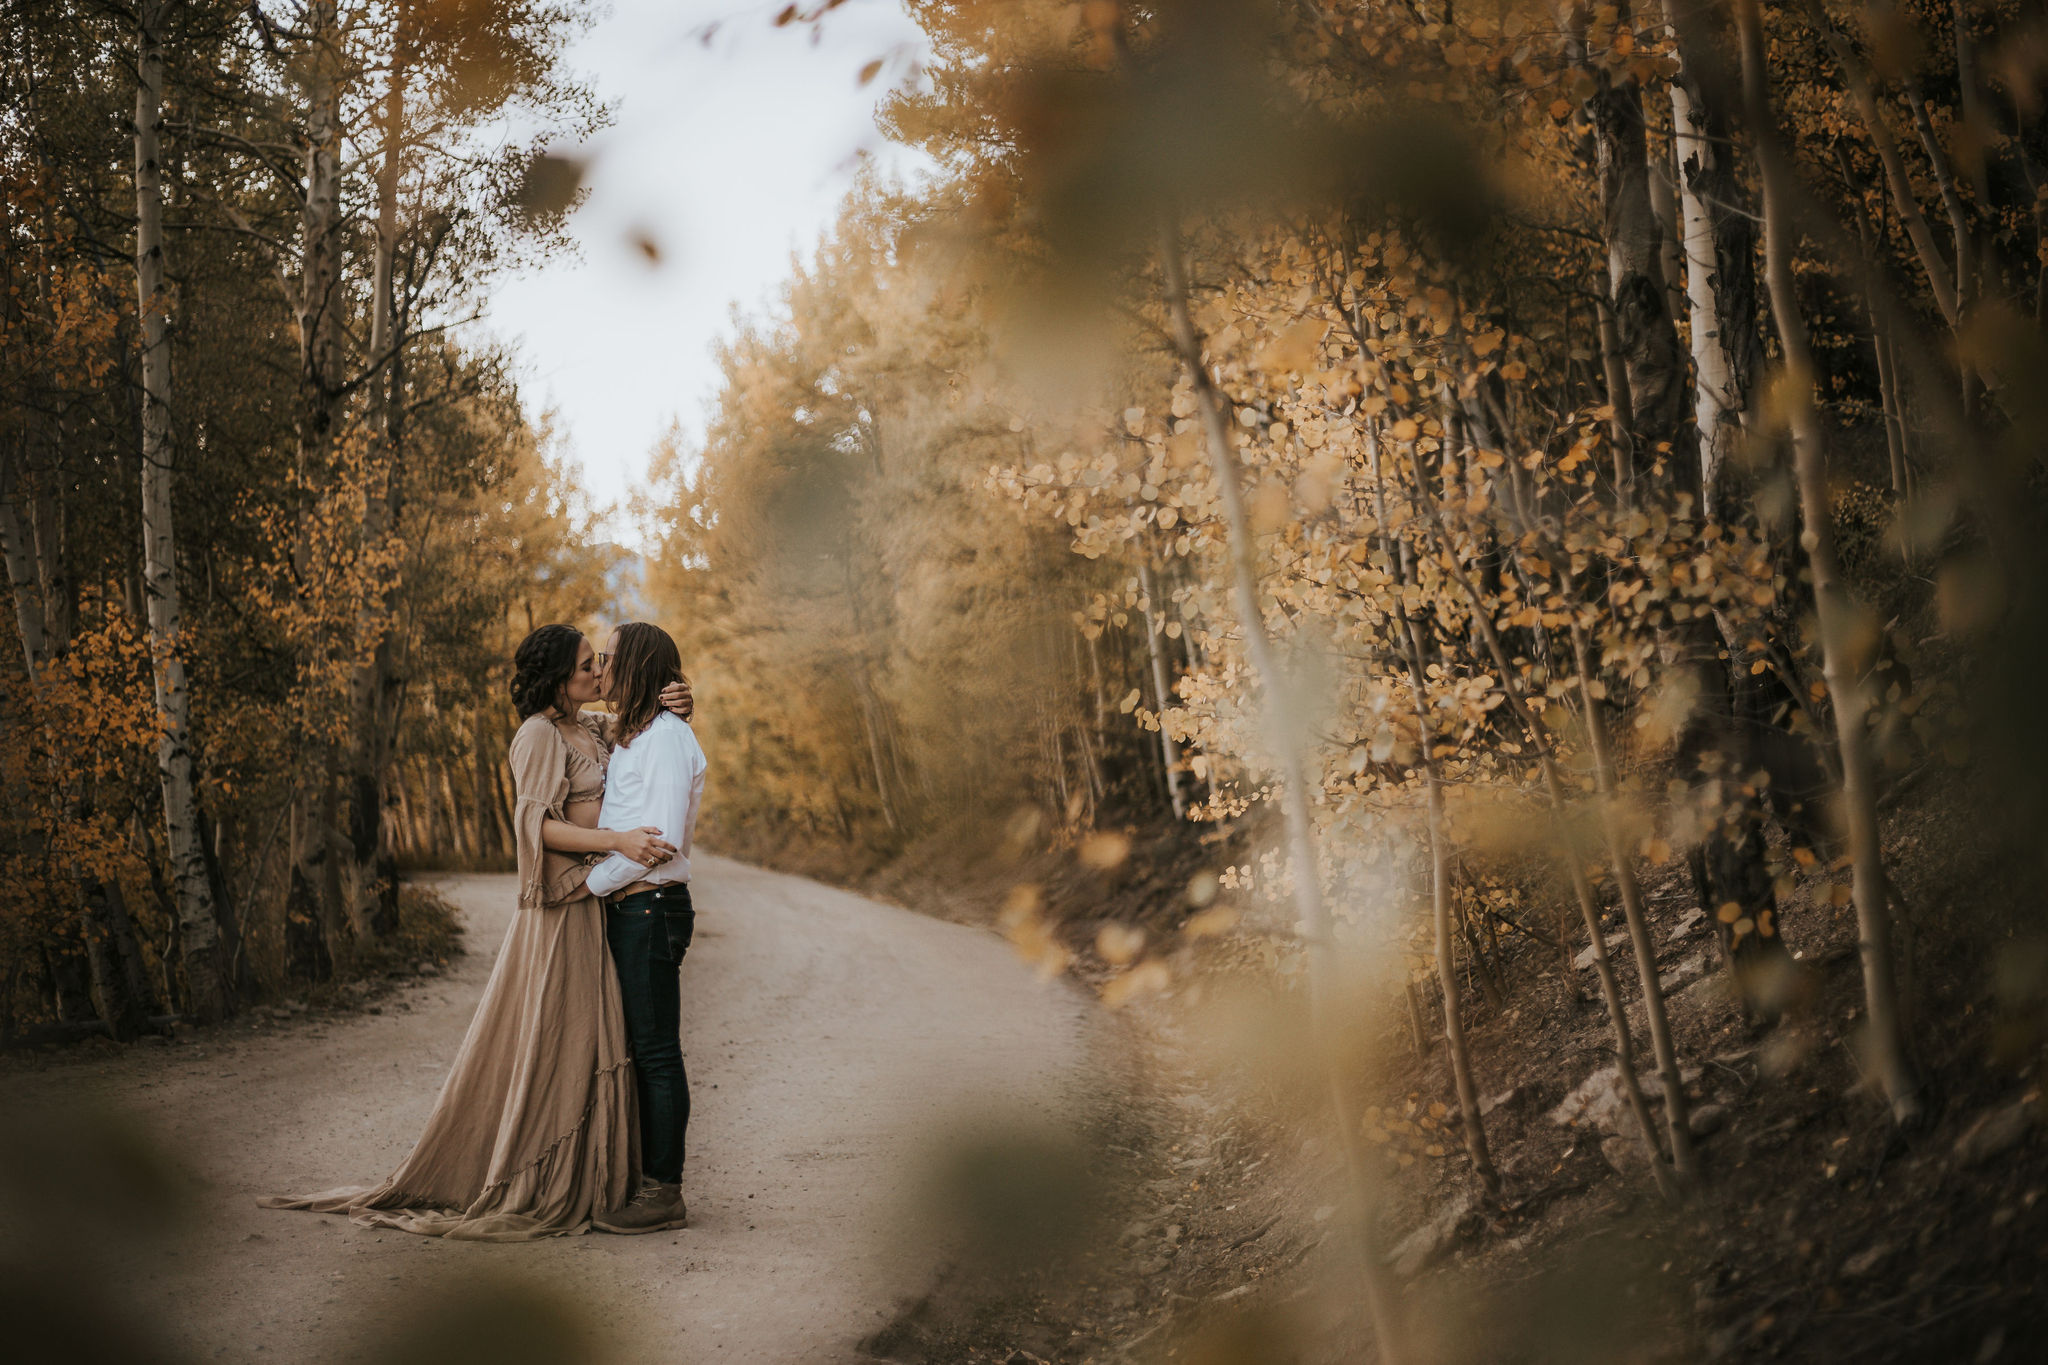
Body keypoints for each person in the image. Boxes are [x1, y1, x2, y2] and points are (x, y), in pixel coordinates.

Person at [259, 625, 688, 1240]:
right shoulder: (537, 735)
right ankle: (542, 1170)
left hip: (595, 907)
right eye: (588, 666)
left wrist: (677, 698)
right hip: (561, 911)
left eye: (601, 664)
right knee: (558, 1042)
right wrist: (617, 841)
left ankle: (606, 1177)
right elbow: (535, 828)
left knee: (596, 1042)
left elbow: (640, 730)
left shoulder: (588, 728)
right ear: (559, 679)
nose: (599, 673)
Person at [584, 621, 707, 1235]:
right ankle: (643, 1178)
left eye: (608, 658)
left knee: (657, 1051)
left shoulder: (663, 740)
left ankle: (665, 1192)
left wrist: (585, 887)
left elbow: (657, 842)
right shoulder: (634, 737)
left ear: (633, 664)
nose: (601, 668)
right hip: (633, 906)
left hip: (650, 905)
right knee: (638, 1047)